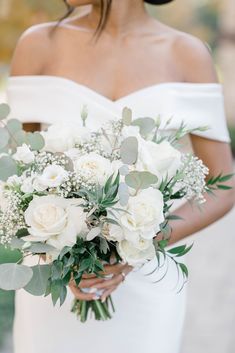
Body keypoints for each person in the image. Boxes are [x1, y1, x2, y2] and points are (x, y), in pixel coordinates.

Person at [6, 1, 234, 352]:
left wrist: (141, 243)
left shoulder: (186, 54)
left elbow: (225, 180)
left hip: (147, 285)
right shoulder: (38, 45)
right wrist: (59, 249)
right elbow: (15, 168)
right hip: (56, 282)